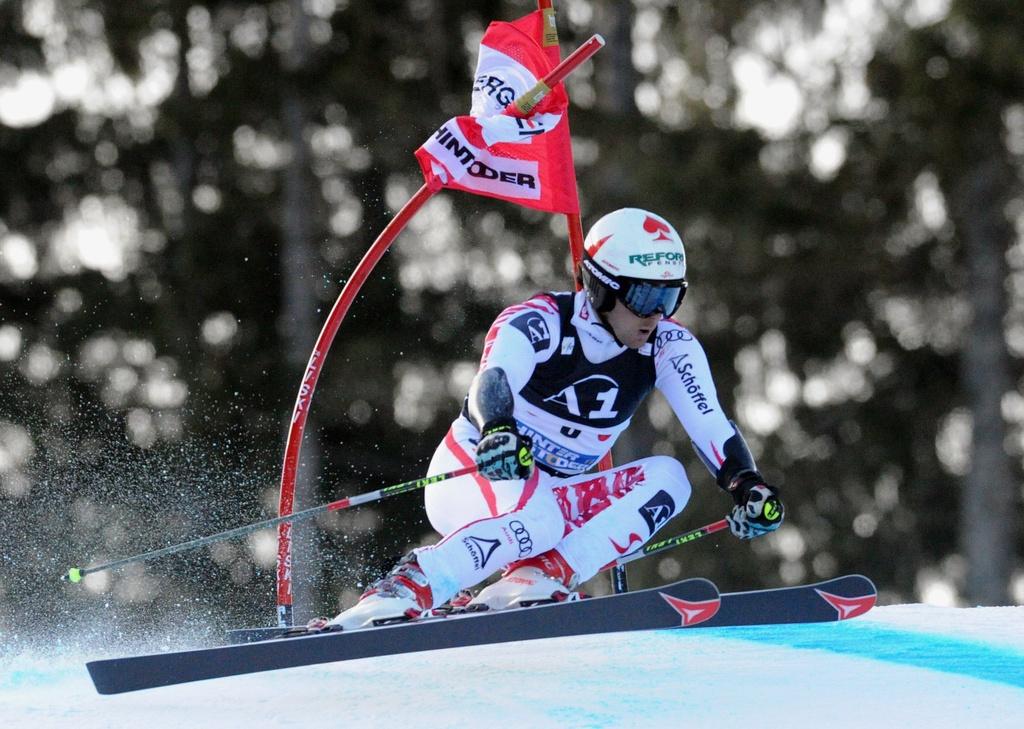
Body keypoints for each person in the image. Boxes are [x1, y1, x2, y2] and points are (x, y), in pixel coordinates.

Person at [321, 207, 784, 630]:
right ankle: (406, 587)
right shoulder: (541, 321)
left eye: (671, 297)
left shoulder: (667, 345)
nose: (657, 314)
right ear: (602, 287)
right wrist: (497, 430)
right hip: (476, 471)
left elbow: (710, 424)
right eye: (645, 296)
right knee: (540, 518)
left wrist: (749, 486)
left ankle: (539, 577)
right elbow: (494, 377)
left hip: (552, 498)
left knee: (670, 479)